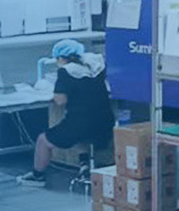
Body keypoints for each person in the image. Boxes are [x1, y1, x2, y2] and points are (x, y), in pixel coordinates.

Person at [18, 39, 112, 187]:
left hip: (81, 123)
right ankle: (84, 165)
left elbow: (60, 100)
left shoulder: (66, 72)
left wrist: (53, 92)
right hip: (105, 122)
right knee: (83, 138)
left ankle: (37, 176)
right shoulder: (96, 67)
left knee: (43, 140)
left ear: (61, 58)